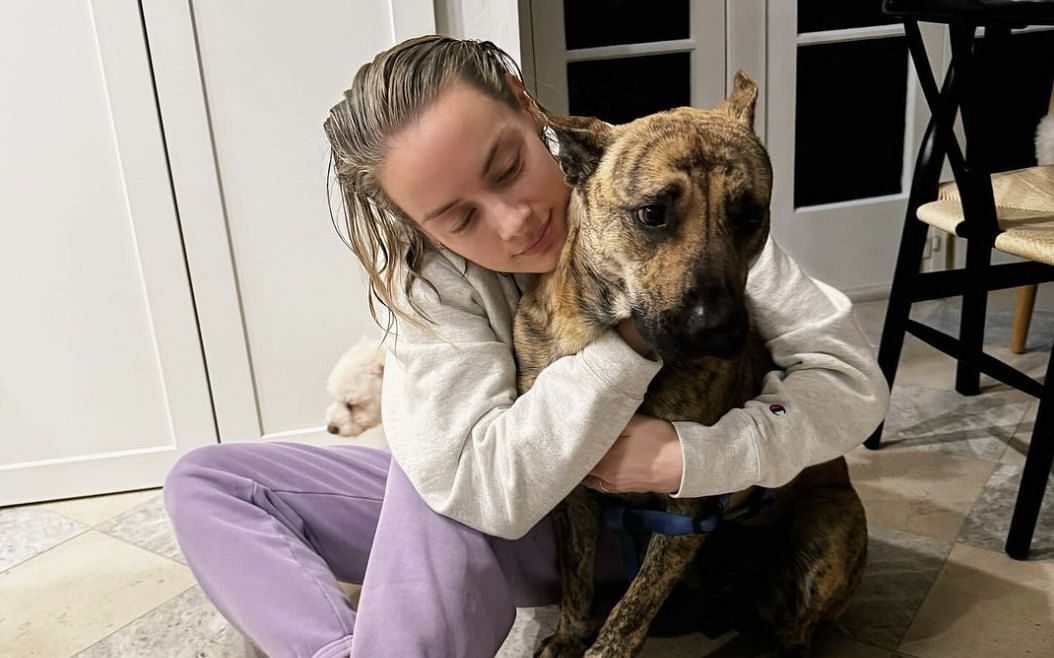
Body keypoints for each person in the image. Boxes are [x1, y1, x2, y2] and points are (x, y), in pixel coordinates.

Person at [163, 35, 890, 658]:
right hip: (529, 516)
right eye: (455, 216)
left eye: (508, 167)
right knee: (210, 480)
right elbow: (485, 492)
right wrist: (632, 342)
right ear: (418, 225)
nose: (512, 223)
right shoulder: (430, 287)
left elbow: (855, 388)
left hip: (655, 529)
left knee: (432, 482)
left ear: (521, 100)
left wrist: (693, 456)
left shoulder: (668, 198)